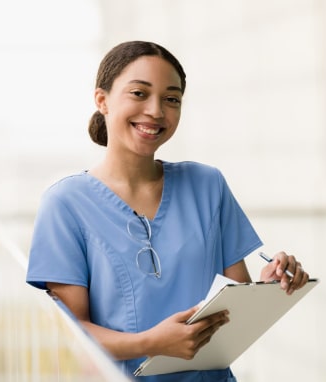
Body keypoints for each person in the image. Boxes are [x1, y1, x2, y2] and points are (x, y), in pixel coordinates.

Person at [26, 40, 310, 381]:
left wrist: (270, 286)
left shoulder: (208, 184)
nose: (156, 111)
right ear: (102, 100)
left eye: (171, 99)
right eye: (139, 93)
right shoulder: (65, 203)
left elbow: (232, 305)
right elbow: (72, 334)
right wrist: (151, 342)